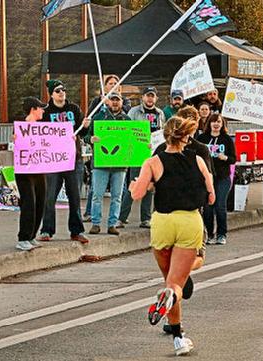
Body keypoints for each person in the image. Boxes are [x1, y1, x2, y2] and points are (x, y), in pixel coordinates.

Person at [130, 116, 215, 357]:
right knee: (175, 284)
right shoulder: (198, 160)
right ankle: (171, 303)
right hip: (189, 221)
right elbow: (211, 197)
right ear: (186, 136)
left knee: (169, 279)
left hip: (162, 222)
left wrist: (136, 186)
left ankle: (178, 337)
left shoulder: (153, 162)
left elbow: (137, 194)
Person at [37, 80, 90, 244]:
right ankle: (47, 229)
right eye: (58, 90)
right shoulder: (45, 112)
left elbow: (83, 132)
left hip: (74, 158)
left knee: (74, 195)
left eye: (64, 90)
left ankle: (76, 230)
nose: (62, 93)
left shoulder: (73, 109)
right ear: (51, 94)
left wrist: (86, 126)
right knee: (49, 196)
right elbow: (37, 132)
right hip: (53, 160)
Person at [117, 86, 165, 229]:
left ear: (156, 98)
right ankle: (121, 218)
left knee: (150, 187)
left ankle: (145, 219)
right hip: (137, 155)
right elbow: (128, 132)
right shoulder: (134, 112)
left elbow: (163, 133)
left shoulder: (160, 113)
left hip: (154, 154)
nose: (150, 98)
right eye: (147, 96)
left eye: (152, 96)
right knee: (134, 185)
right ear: (142, 97)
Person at [87, 91, 130, 236]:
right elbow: (87, 135)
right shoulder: (98, 117)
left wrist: (144, 147)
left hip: (120, 165)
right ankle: (96, 223)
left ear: (122, 102)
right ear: (108, 102)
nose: (115, 102)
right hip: (100, 163)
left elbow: (135, 141)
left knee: (117, 196)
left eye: (118, 100)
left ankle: (112, 224)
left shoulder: (127, 120)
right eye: (112, 100)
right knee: (97, 195)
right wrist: (90, 139)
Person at [14, 97, 49, 251]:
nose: (43, 111)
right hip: (24, 171)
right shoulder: (21, 126)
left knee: (40, 202)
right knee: (29, 203)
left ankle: (32, 235)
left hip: (39, 170)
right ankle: (23, 237)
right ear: (33, 109)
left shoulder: (41, 128)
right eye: (41, 108)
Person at [197, 113, 236, 245]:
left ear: (222, 124)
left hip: (222, 177)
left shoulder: (227, 139)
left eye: (218, 122)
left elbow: (233, 159)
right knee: (208, 206)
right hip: (207, 177)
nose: (216, 124)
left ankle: (222, 234)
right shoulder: (202, 138)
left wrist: (225, 158)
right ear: (209, 123)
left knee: (220, 205)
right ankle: (209, 234)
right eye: (213, 121)